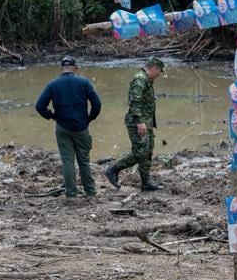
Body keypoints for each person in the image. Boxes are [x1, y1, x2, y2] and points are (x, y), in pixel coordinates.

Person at [36, 56, 103, 198]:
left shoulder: (53, 84)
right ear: (75, 68)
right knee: (84, 159)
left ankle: (71, 193)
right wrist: (90, 118)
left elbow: (39, 106)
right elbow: (97, 104)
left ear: (61, 69)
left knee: (67, 161)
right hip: (81, 127)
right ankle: (90, 191)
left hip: (62, 127)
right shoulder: (83, 82)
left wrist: (52, 116)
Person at [104, 57, 164, 192]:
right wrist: (140, 121)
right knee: (140, 153)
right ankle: (113, 170)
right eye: (159, 71)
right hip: (138, 123)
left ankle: (146, 182)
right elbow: (134, 102)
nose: (159, 75)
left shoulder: (147, 80)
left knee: (147, 151)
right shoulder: (140, 80)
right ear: (154, 68)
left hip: (146, 122)